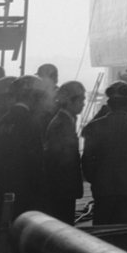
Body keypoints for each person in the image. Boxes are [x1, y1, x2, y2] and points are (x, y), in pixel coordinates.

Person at [0, 76, 45, 253]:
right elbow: (35, 162)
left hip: (0, 187)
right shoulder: (31, 122)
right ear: (31, 96)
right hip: (24, 191)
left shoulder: (1, 120)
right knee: (20, 237)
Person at [81, 80, 127, 225]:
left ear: (109, 103)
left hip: (103, 187)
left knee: (103, 229)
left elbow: (87, 158)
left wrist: (95, 179)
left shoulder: (94, 126)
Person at [43, 81, 85, 225]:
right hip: (62, 189)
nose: (83, 104)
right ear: (69, 101)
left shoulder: (64, 121)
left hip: (62, 189)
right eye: (81, 100)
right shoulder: (62, 124)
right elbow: (61, 160)